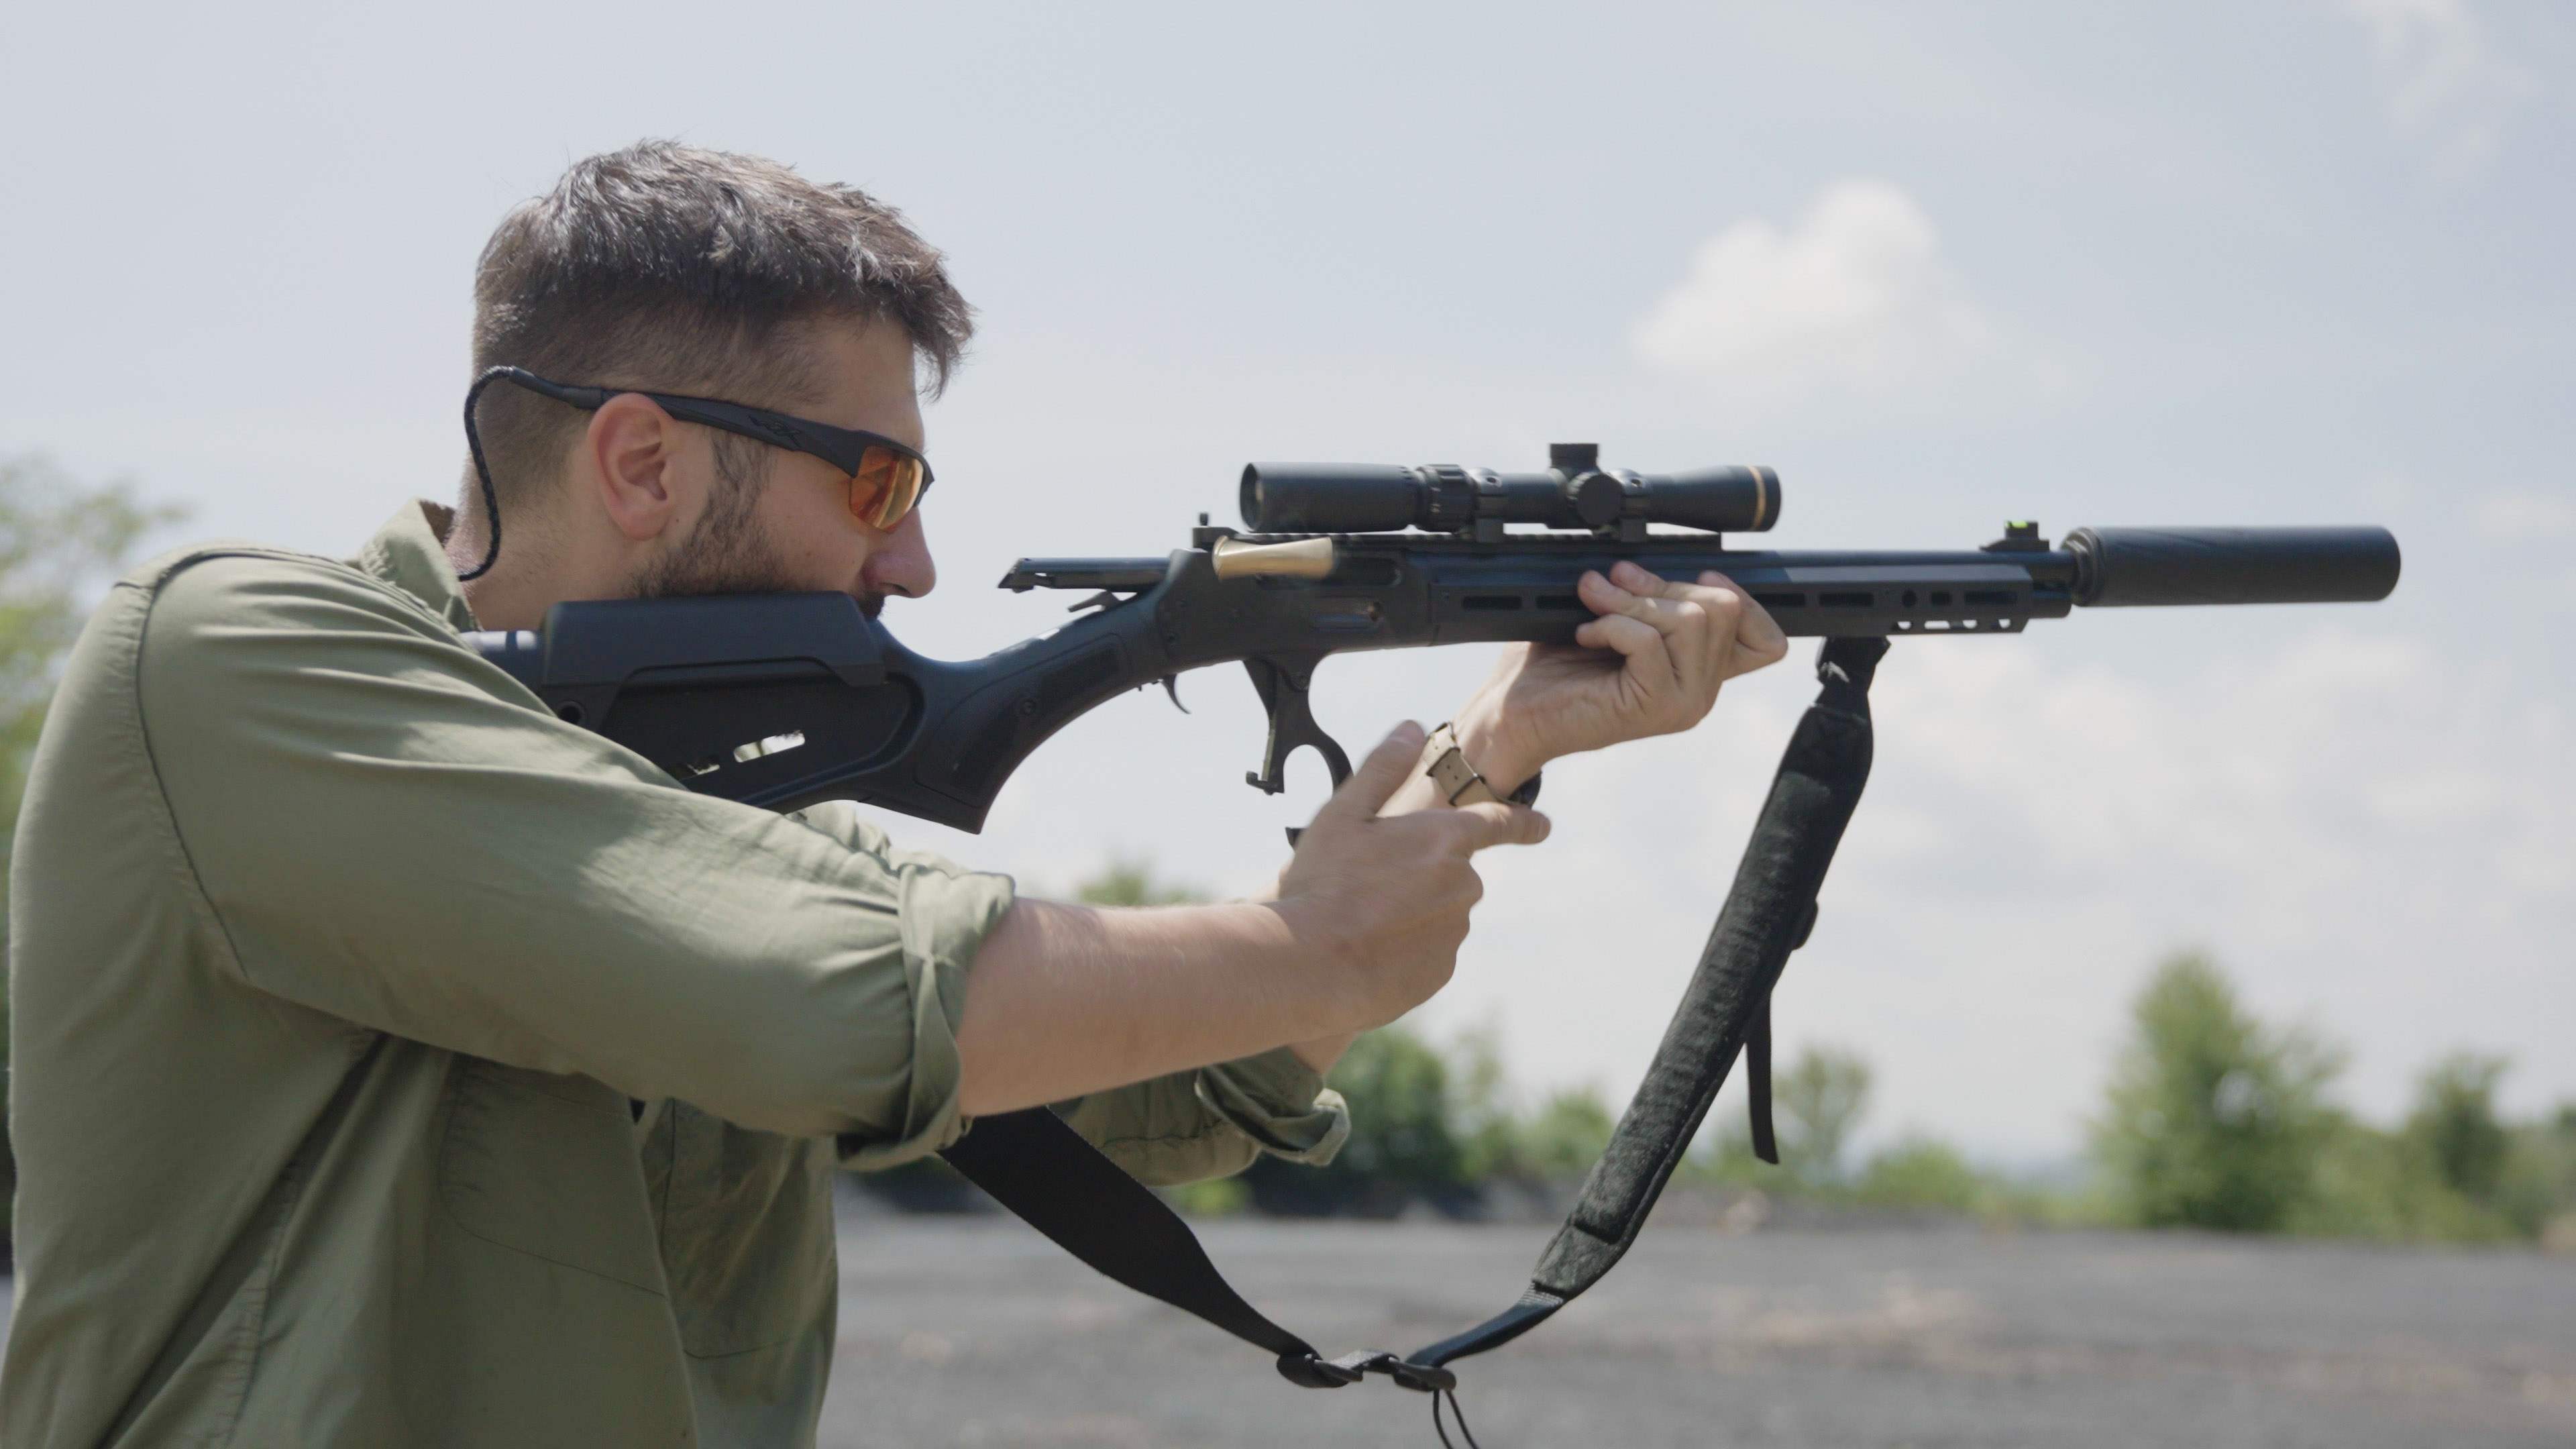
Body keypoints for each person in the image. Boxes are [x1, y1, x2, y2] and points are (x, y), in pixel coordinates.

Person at [1, 140, 1786, 1446]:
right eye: (876, 485)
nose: (916, 563)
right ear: (641, 461)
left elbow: (1172, 1093)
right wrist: (1312, 951)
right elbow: (833, 995)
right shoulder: (229, 659)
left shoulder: (715, 820)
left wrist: (1491, 749)